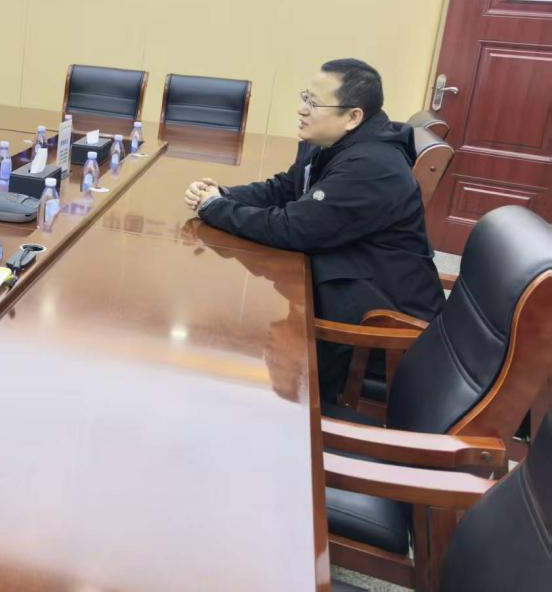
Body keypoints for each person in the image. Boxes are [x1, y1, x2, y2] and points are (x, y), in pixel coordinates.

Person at [183, 59, 444, 396]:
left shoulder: (373, 166)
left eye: (314, 103)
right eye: (305, 97)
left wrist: (217, 209)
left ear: (353, 117)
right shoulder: (335, 144)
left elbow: (294, 229)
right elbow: (285, 188)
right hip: (347, 285)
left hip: (382, 330)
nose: (302, 109)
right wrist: (224, 195)